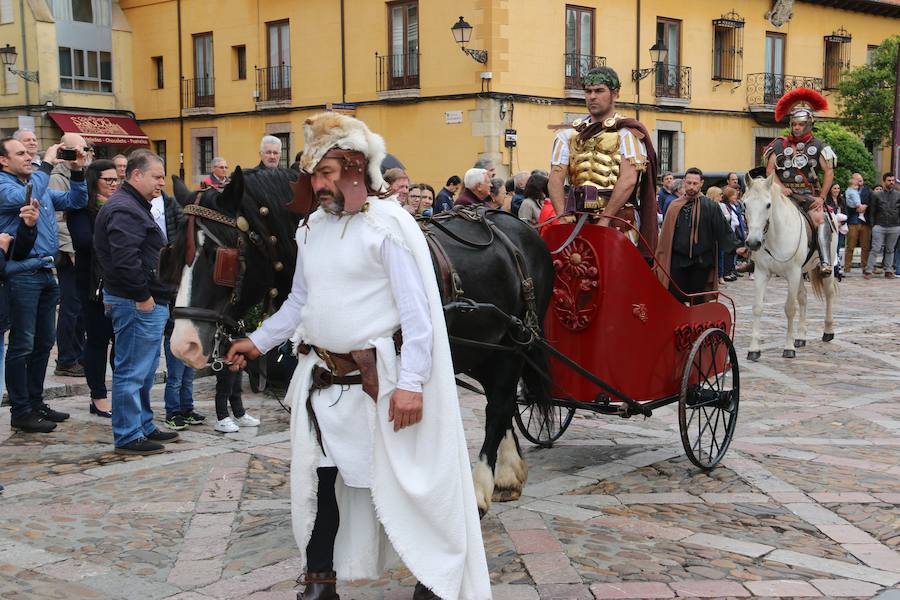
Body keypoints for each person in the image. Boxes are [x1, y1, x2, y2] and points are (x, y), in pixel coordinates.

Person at [224, 112, 490, 600]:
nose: (318, 184)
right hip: (324, 382)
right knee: (321, 481)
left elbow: (418, 316)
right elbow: (299, 302)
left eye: (326, 173)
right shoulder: (311, 229)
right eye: (313, 175)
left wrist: (411, 384)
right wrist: (257, 341)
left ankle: (436, 579)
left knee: (412, 487)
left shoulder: (387, 228)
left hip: (380, 387)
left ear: (353, 169)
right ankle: (319, 582)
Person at [93, 151, 179, 454]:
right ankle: (129, 434)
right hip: (135, 302)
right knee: (131, 369)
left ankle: (143, 424)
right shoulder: (125, 208)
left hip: (144, 300)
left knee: (143, 369)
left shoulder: (134, 205)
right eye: (157, 176)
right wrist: (143, 296)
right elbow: (125, 259)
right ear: (136, 175)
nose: (162, 182)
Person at [1, 138, 88, 433]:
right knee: (22, 344)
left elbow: (75, 201)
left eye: (30, 153)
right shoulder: (4, 185)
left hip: (46, 271)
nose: (29, 157)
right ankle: (20, 410)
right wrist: (48, 164)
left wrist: (77, 171)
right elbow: (27, 196)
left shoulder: (38, 184)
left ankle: (36, 402)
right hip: (21, 274)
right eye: (21, 153)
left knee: (43, 343)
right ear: (3, 160)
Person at [548, 66, 659, 255]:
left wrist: (605, 219)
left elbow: (628, 179)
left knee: (618, 271)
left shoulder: (627, 133)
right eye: (588, 91)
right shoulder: (567, 134)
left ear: (615, 94)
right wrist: (561, 217)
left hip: (618, 222)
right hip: (576, 219)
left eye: (599, 91)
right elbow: (555, 179)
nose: (592, 96)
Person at [763, 88, 836, 276]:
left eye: (801, 124)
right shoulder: (779, 145)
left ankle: (825, 261)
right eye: (794, 124)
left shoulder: (819, 146)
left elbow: (829, 172)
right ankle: (752, 257)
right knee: (760, 212)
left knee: (820, 219)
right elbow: (770, 171)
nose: (796, 127)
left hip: (808, 195)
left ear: (809, 125)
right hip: (783, 195)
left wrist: (821, 197)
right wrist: (781, 187)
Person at [67, 159, 118, 416]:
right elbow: (83, 241)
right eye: (108, 179)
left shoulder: (120, 206)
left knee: (120, 342)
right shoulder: (81, 209)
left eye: (116, 179)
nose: (114, 184)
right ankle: (98, 396)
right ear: (94, 181)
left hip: (119, 284)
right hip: (92, 285)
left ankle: (121, 392)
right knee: (98, 340)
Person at [655, 168, 739, 304]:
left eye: (695, 183)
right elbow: (666, 235)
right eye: (689, 183)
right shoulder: (674, 205)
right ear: (684, 182)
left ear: (701, 183)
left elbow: (723, 230)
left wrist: (737, 248)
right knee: (675, 298)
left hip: (701, 262)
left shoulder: (711, 206)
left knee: (698, 300)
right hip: (678, 261)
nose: (691, 187)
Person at [50, 132, 90, 378]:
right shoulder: (57, 177)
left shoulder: (79, 174)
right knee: (71, 307)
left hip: (79, 249)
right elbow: (58, 218)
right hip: (68, 253)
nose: (83, 153)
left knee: (80, 307)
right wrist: (71, 249)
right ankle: (66, 358)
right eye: (79, 149)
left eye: (85, 149)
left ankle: (77, 354)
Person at [864, 173, 900, 280]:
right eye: (889, 180)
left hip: (894, 225)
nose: (891, 182)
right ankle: (869, 270)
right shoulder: (877, 195)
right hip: (879, 225)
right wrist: (873, 225)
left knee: (890, 249)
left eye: (893, 180)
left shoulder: (898, 195)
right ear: (884, 181)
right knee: (875, 248)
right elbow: (872, 211)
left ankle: (888, 270)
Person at [211, 368, 260, 433]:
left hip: (236, 362)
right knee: (224, 389)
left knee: (236, 388)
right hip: (224, 363)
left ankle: (239, 415)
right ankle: (222, 419)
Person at [844, 173, 870, 274]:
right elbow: (846, 205)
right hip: (853, 221)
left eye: (861, 179)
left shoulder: (867, 190)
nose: (860, 181)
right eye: (857, 179)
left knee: (865, 246)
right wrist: (855, 207)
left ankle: (865, 267)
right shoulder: (849, 191)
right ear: (853, 180)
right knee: (850, 246)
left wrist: (865, 206)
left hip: (865, 222)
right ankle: (847, 268)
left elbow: (872, 201)